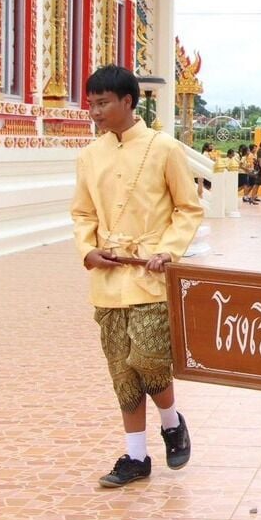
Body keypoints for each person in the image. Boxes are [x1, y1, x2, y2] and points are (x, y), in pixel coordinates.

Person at [70, 66, 202, 489]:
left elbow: (188, 207)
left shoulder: (164, 148)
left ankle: (170, 420)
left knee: (147, 359)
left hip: (149, 274)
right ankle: (136, 456)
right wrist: (88, 249)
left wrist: (168, 250)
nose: (95, 111)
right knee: (121, 373)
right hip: (108, 277)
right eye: (90, 103)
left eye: (103, 102)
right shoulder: (90, 156)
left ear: (128, 102)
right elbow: (83, 213)